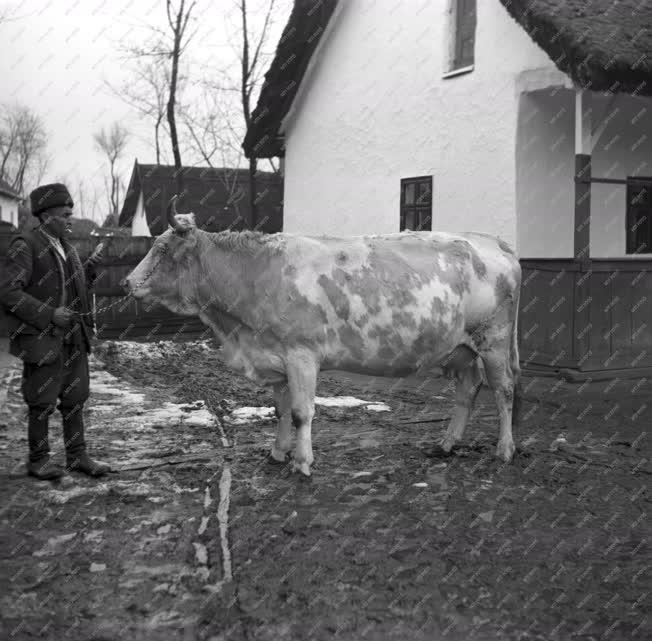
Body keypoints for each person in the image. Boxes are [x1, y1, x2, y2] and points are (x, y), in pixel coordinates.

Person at [0, 182, 111, 480]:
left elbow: (76, 294)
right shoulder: (25, 245)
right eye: (65, 214)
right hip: (42, 338)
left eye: (71, 213)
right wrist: (49, 314)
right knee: (42, 401)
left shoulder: (70, 250)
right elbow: (8, 292)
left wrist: (87, 271)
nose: (70, 219)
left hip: (73, 338)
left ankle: (77, 456)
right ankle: (38, 460)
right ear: (47, 216)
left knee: (76, 399)